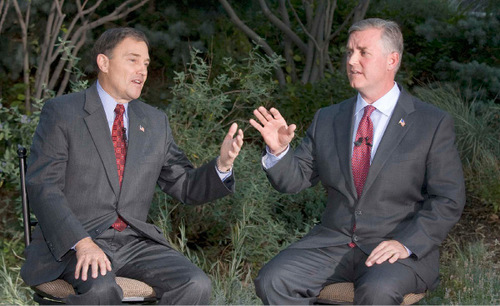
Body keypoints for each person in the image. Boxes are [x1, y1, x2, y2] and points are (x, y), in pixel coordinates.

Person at [21, 27, 244, 305]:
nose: (142, 70)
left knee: (195, 283)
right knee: (102, 289)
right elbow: (44, 187)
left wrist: (221, 166)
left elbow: (184, 185)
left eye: (146, 63)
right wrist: (82, 243)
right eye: (133, 60)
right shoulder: (64, 112)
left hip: (134, 243)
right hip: (75, 242)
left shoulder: (154, 122)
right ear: (104, 63)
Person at [250, 18, 465, 304]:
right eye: (349, 52)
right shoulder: (328, 118)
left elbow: (448, 198)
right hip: (333, 243)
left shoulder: (431, 123)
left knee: (377, 292)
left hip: (394, 247)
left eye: (363, 52)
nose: (352, 61)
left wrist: (406, 243)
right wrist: (279, 152)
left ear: (392, 60)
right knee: (272, 281)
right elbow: (295, 179)